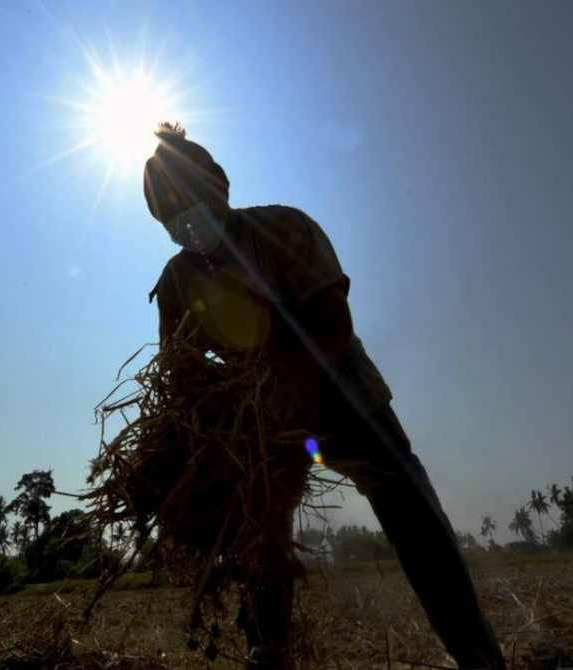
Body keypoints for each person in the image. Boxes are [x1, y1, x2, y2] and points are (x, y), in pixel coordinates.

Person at [142, 122, 506, 670]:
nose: (185, 221)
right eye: (170, 215)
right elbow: (181, 371)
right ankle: (269, 649)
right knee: (260, 535)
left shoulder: (284, 229)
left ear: (221, 186)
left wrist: (285, 391)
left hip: (342, 395)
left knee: (408, 506)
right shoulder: (176, 282)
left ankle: (475, 652)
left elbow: (331, 323)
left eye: (190, 201)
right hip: (260, 424)